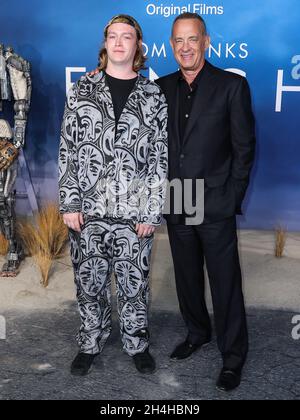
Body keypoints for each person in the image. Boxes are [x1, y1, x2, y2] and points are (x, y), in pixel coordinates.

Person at [58, 14, 168, 376]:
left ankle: (137, 344)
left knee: (134, 285)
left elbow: (158, 157)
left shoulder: (153, 96)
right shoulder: (82, 89)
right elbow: (68, 150)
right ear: (105, 43)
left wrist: (152, 211)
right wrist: (70, 202)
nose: (119, 42)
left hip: (134, 212)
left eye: (127, 37)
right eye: (113, 36)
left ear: (138, 45)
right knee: (89, 283)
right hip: (87, 210)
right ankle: (90, 342)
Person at [156, 13, 255, 391]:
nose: (185, 47)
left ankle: (233, 356)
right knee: (186, 276)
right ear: (171, 45)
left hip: (213, 200)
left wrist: (231, 196)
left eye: (192, 39)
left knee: (225, 280)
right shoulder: (160, 88)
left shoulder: (231, 86)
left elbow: (244, 148)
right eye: (178, 40)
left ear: (206, 42)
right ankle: (197, 333)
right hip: (177, 198)